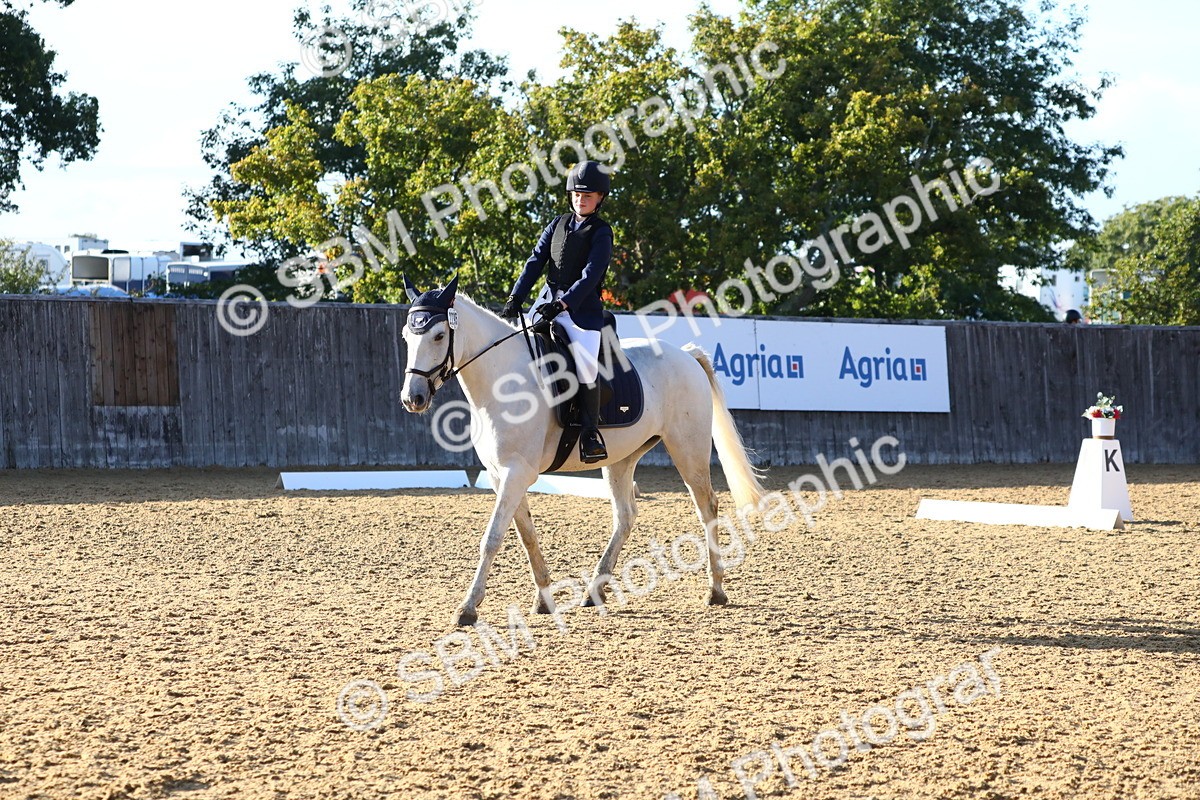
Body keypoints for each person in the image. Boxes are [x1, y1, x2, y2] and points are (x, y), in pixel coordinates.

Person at [500, 160, 614, 463]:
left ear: (600, 198)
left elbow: (591, 276)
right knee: (517, 344)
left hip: (581, 310)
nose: (581, 199)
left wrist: (564, 304)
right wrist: (516, 296)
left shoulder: (601, 232)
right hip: (546, 300)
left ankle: (591, 433)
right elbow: (535, 261)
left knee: (587, 365)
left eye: (588, 195)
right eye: (577, 194)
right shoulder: (558, 223)